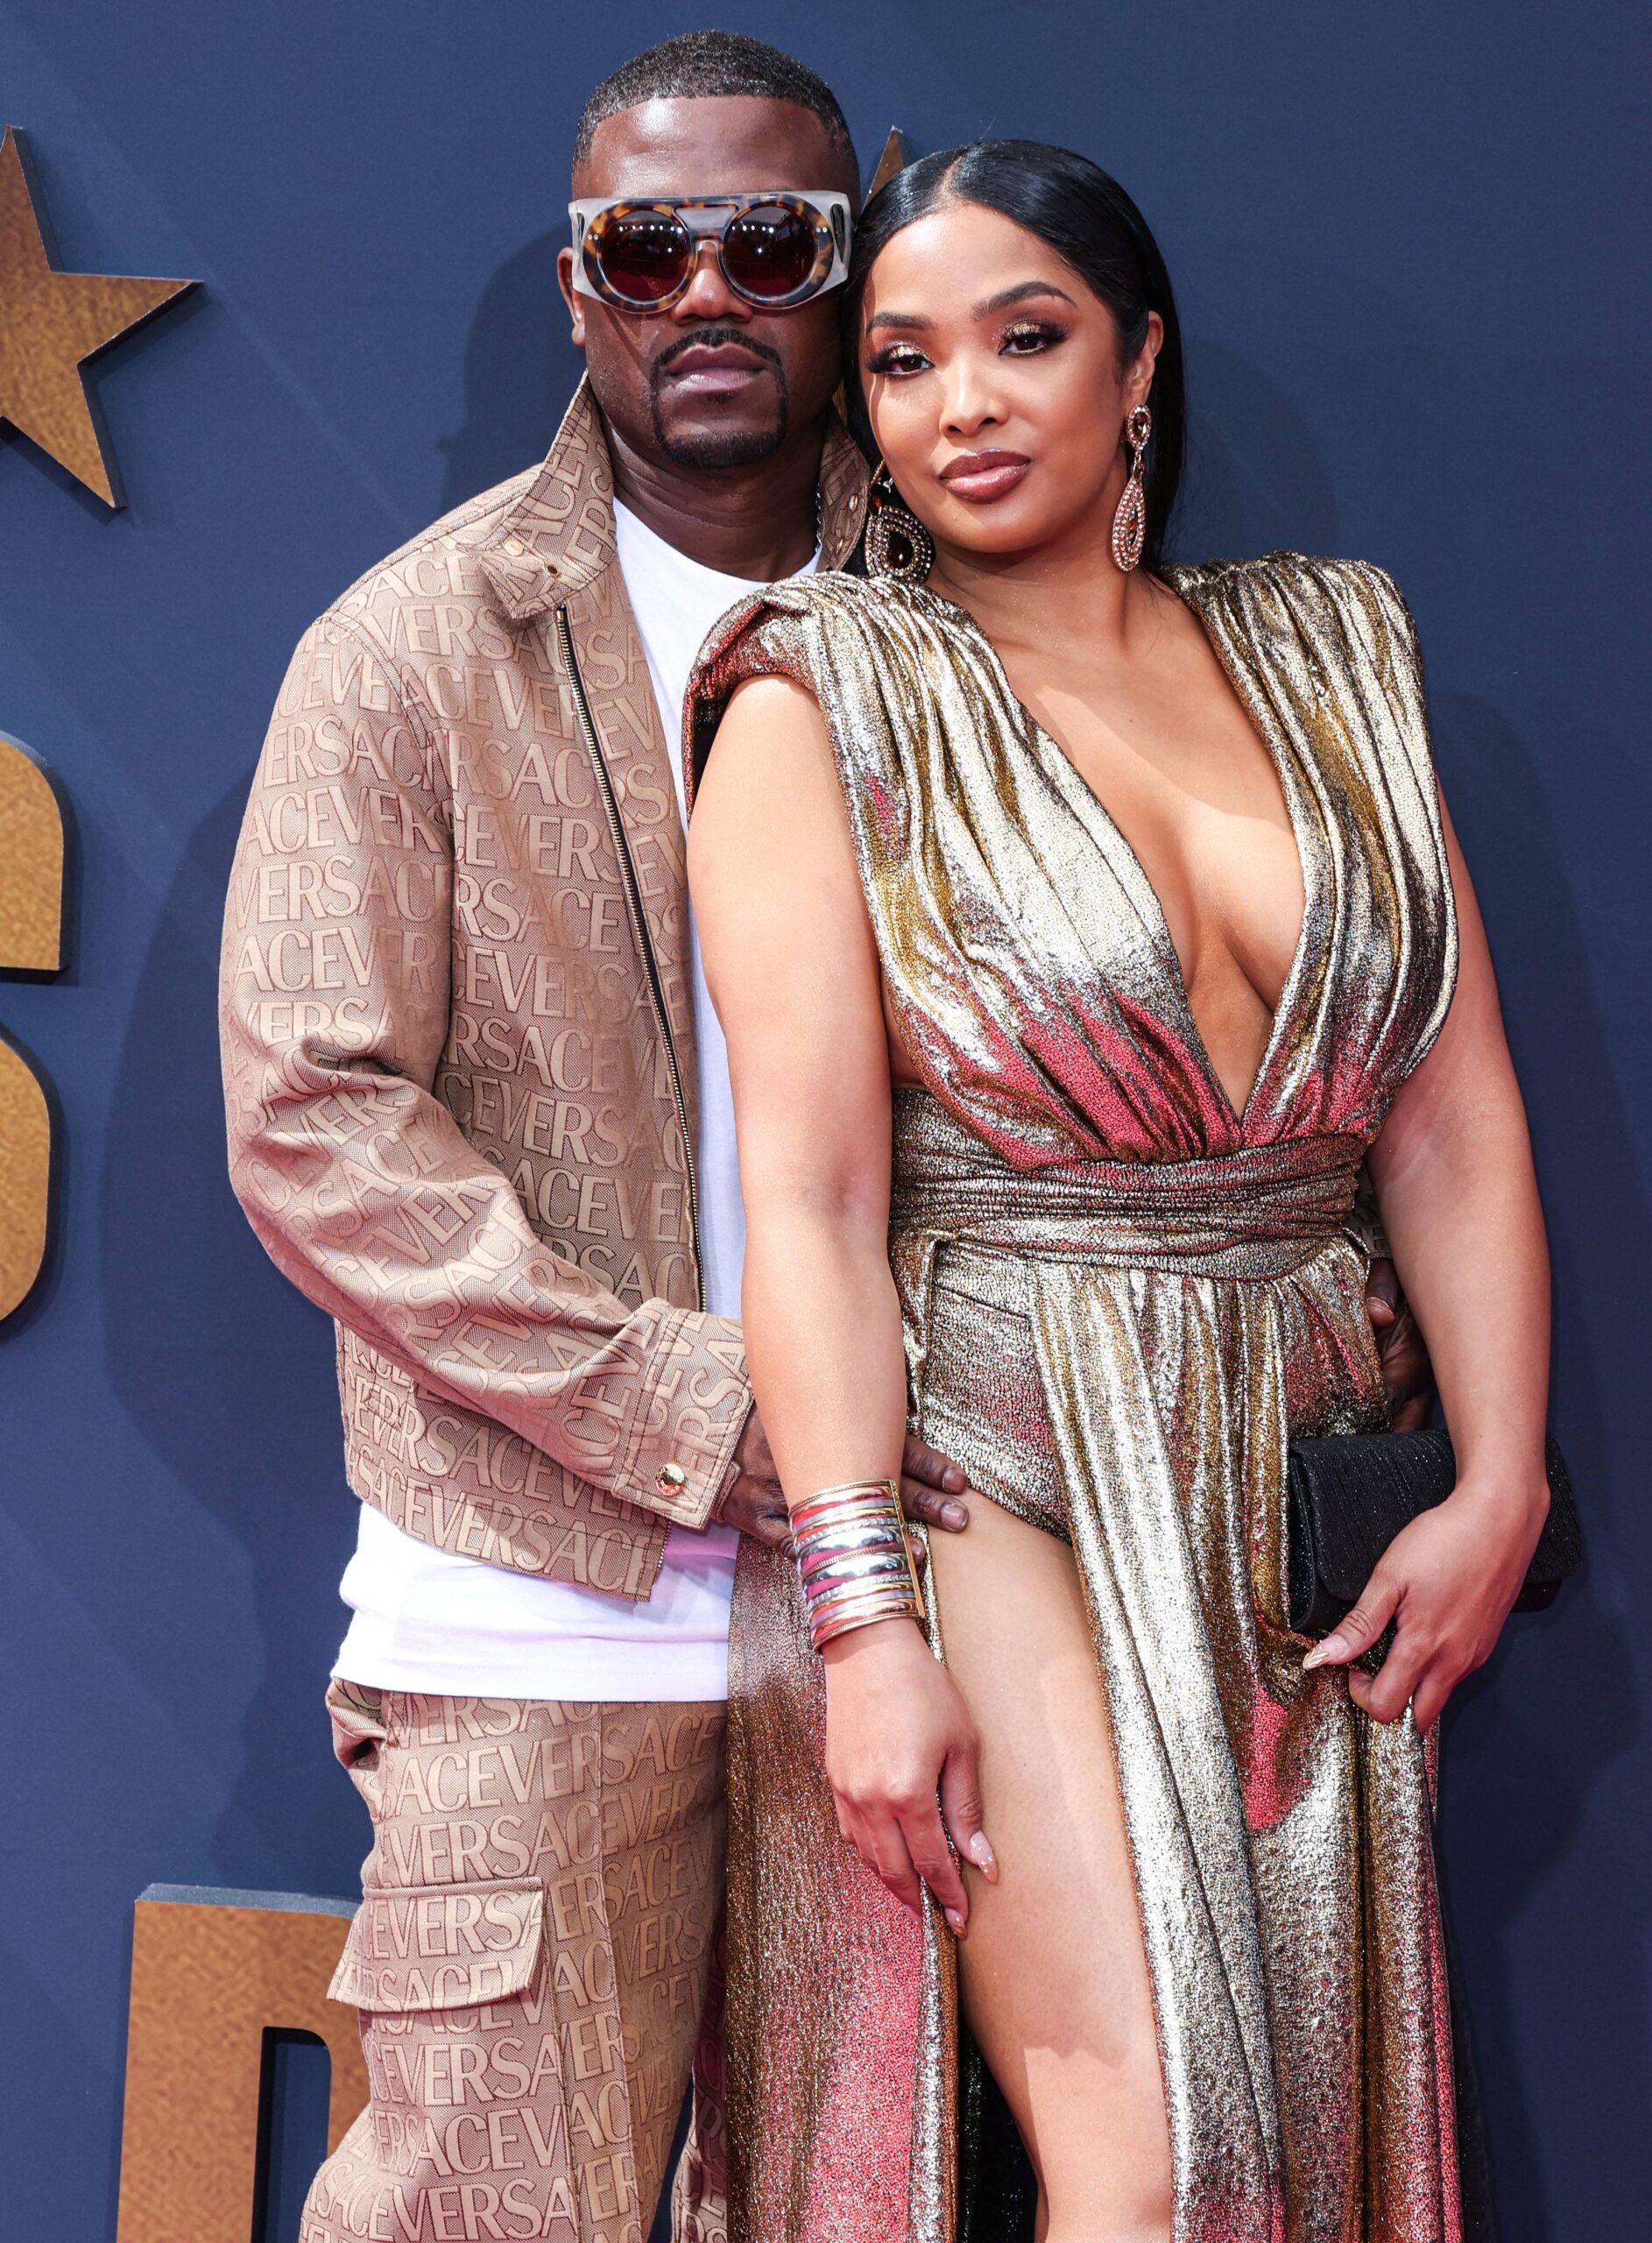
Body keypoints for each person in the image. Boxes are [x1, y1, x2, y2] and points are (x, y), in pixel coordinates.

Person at [683, 142, 1550, 2241]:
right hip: (1006, 1456)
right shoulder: (819, 694)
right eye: (901, 361)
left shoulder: (1334, 656)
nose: (961, 401)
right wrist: (863, 1613)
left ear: (1140, 363)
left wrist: (1503, 1475)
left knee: (1305, 2147)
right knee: (1156, 2164)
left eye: (1024, 337)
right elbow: (801, 1199)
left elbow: (1443, 1114)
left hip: (1302, 1467)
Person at [217, 35, 983, 2243]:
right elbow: (313, 1116)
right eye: (651, 244)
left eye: (778, 241)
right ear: (581, 289)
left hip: (944, 1589)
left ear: (850, 267)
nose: (711, 289)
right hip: (552, 1613)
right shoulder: (405, 650)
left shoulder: (987, 624)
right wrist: (692, 1402)